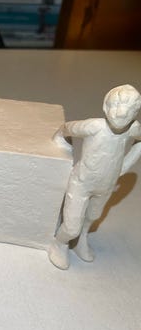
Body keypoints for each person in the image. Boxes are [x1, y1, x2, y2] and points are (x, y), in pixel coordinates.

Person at [49, 84, 141, 269]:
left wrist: (123, 167)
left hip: (106, 185)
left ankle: (81, 240)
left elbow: (139, 143)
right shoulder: (94, 126)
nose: (121, 113)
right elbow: (69, 127)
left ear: (135, 113)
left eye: (129, 109)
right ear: (105, 107)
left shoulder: (133, 129)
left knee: (92, 217)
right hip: (81, 183)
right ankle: (60, 243)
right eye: (116, 105)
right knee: (71, 226)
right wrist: (58, 137)